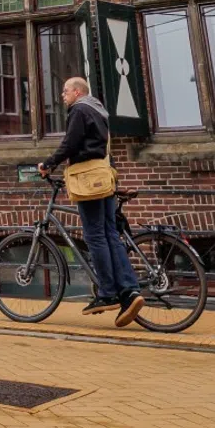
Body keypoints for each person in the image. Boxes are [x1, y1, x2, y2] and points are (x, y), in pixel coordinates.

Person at [39, 77, 145, 327]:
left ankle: (107, 293)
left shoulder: (79, 109)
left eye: (65, 91)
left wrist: (48, 163)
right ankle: (129, 292)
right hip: (105, 177)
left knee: (95, 236)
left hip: (88, 180)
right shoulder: (100, 111)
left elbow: (71, 143)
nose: (62, 96)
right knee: (110, 234)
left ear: (77, 92)